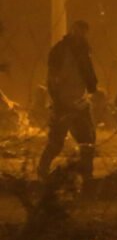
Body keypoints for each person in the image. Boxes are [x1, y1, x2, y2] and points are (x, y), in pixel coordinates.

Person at [38, 20, 98, 179]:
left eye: (84, 32)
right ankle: (42, 170)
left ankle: (87, 175)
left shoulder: (84, 50)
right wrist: (57, 100)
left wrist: (93, 88)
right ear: (72, 31)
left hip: (80, 101)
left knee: (87, 141)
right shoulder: (60, 50)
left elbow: (89, 74)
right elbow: (52, 77)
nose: (81, 35)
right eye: (79, 31)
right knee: (57, 141)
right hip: (63, 102)